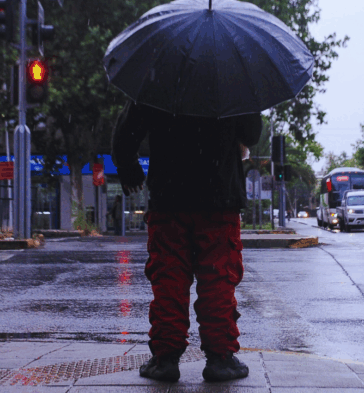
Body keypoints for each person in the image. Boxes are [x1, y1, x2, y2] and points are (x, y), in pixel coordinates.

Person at [112, 100, 262, 383]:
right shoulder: (230, 78)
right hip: (219, 195)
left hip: (170, 195)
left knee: (169, 277)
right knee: (218, 278)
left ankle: (165, 358)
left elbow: (127, 131)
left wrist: (130, 169)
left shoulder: (161, 77)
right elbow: (251, 133)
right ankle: (220, 358)